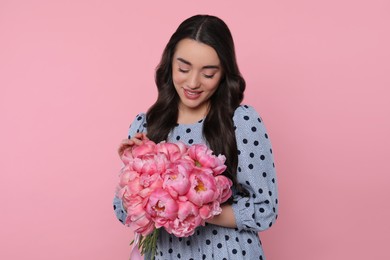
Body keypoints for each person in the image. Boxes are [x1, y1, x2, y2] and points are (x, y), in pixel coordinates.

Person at [113, 14, 278, 260]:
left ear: (224, 74)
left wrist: (190, 207)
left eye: (208, 74)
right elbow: (122, 211)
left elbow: (264, 210)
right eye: (183, 68)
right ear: (170, 64)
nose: (193, 82)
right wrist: (133, 172)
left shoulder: (241, 122)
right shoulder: (146, 125)